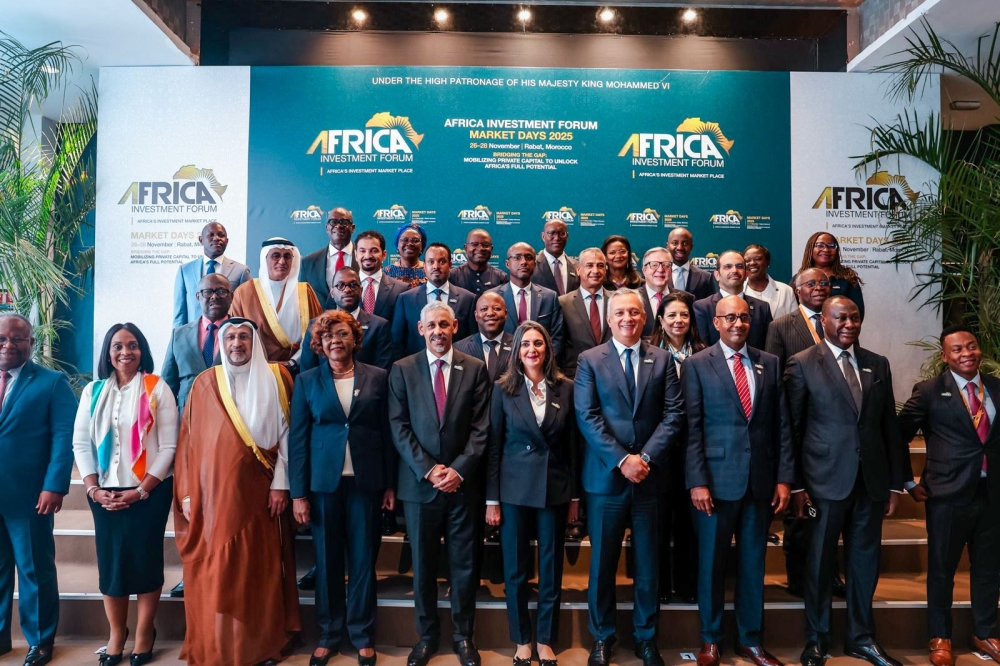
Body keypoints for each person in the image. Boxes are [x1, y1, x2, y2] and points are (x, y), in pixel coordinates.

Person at [786, 296, 906, 666]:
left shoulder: (877, 363)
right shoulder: (803, 363)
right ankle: (817, 639)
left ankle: (861, 638)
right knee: (820, 564)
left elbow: (890, 427)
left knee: (864, 564)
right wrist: (796, 487)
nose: (849, 324)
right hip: (823, 484)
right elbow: (791, 429)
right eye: (840, 318)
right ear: (823, 321)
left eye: (854, 318)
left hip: (870, 483)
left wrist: (895, 483)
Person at [173, 318, 300, 666]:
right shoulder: (204, 383)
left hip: (263, 495)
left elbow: (289, 435)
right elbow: (188, 445)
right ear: (221, 342)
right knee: (220, 572)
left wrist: (281, 485)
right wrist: (186, 494)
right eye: (230, 337)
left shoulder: (277, 378)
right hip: (214, 500)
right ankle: (218, 644)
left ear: (254, 342)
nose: (237, 343)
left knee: (259, 572)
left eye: (244, 337)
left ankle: (259, 644)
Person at [575, 289, 685, 666]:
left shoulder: (664, 359)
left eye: (635, 313)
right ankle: (603, 638)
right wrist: (623, 459)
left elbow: (674, 415)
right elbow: (587, 417)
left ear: (645, 318)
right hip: (606, 480)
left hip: (651, 479)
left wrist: (646, 458)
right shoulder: (589, 360)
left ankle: (646, 638)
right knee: (602, 564)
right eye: (620, 312)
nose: (627, 318)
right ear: (609, 319)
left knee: (649, 564)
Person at [684, 296, 794, 666]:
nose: (737, 323)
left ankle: (751, 641)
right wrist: (697, 481)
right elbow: (692, 428)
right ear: (715, 322)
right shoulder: (698, 364)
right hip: (713, 485)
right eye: (729, 317)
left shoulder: (770, 363)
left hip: (760, 483)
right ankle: (710, 639)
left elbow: (781, 426)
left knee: (753, 565)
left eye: (743, 317)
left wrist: (783, 479)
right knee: (711, 564)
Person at [289, 310, 396, 666]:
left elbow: (387, 435)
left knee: (364, 562)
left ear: (355, 339)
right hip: (323, 487)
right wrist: (298, 494)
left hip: (366, 484)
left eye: (343, 334)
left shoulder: (379, 377)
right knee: (327, 560)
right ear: (319, 343)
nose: (336, 341)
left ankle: (363, 634)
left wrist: (389, 485)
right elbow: (299, 440)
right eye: (329, 336)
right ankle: (329, 634)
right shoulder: (306, 381)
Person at [388, 301, 491, 666]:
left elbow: (481, 429)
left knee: (464, 565)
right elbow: (398, 428)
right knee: (425, 564)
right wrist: (430, 470)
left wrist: (458, 470)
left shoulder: (476, 369)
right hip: (420, 486)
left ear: (455, 327)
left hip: (463, 486)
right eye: (431, 325)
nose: (437, 331)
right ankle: (427, 636)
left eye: (444, 325)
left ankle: (464, 637)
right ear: (420, 328)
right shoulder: (402, 369)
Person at [72, 323, 177, 666]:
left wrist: (142, 491)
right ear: (108, 352)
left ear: (142, 350)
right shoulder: (93, 390)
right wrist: (92, 488)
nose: (125, 352)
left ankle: (145, 632)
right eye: (117, 346)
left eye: (132, 345)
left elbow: (168, 447)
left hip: (149, 490)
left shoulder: (156, 387)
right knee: (112, 564)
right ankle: (117, 633)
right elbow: (81, 443)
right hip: (104, 491)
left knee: (145, 560)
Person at [897, 326, 1000, 666]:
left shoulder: (997, 387)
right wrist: (907, 483)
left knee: (988, 568)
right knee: (942, 569)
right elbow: (897, 436)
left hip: (992, 493)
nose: (966, 353)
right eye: (957, 350)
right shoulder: (929, 391)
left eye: (971, 345)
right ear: (945, 356)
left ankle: (985, 632)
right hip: (947, 494)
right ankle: (939, 636)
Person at [486, 321, 578, 666]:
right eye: (525, 344)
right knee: (516, 570)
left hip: (553, 490)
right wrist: (492, 500)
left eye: (538, 343)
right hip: (513, 491)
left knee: (551, 569)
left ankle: (544, 639)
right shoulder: (503, 389)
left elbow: (572, 447)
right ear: (516, 351)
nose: (532, 350)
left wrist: (574, 498)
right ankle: (522, 638)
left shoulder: (564, 388)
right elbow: (493, 449)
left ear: (548, 349)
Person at [0, 313, 76, 666]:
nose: (8, 345)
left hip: (31, 496)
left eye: (17, 338)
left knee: (34, 569)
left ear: (31, 343)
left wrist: (54, 486)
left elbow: (64, 438)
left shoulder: (51, 382)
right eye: (2, 338)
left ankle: (41, 641)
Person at [764, 268, 832, 598]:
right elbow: (775, 378)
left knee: (830, 513)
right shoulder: (781, 326)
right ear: (797, 290)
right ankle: (797, 577)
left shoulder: (839, 321)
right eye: (811, 284)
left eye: (823, 283)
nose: (819, 288)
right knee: (800, 512)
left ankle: (828, 576)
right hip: (797, 426)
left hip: (833, 432)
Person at [647, 291, 705, 604]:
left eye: (684, 315)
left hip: (692, 449)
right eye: (671, 315)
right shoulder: (649, 352)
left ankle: (686, 585)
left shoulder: (705, 352)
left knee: (687, 523)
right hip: (657, 449)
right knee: (657, 522)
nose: (678, 321)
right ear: (660, 320)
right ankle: (657, 587)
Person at [230, 237, 324, 366]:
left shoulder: (305, 291)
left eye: (287, 256)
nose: (282, 261)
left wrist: (293, 362)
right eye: (276, 256)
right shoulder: (244, 292)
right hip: (256, 369)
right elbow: (235, 334)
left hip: (299, 369)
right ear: (265, 259)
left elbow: (317, 332)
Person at [300, 267, 393, 372]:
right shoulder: (315, 325)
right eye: (340, 285)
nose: (347, 289)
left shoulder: (379, 326)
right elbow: (307, 371)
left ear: (361, 290)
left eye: (353, 285)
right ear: (332, 292)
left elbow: (382, 373)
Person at [162, 273, 231, 413]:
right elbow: (167, 386)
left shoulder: (245, 334)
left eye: (221, 291)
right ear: (198, 297)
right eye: (208, 292)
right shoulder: (179, 335)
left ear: (232, 296)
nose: (214, 296)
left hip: (229, 417)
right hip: (187, 418)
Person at [392, 243, 477, 357]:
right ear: (424, 267)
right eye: (431, 262)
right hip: (416, 369)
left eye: (442, 262)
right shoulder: (406, 299)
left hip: (457, 367)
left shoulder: (468, 299)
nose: (436, 266)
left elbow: (472, 341)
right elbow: (397, 342)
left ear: (450, 265)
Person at [490, 242, 565, 359]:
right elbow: (488, 335)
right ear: (507, 264)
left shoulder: (550, 297)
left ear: (535, 264)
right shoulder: (493, 297)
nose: (524, 262)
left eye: (528, 257)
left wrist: (543, 363)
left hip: (539, 365)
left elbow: (557, 337)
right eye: (517, 257)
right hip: (502, 366)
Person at [172, 222, 250, 328]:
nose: (216, 238)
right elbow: (180, 312)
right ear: (201, 240)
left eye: (221, 235)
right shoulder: (185, 270)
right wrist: (178, 338)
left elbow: (245, 311)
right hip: (194, 336)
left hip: (228, 336)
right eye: (211, 235)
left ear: (227, 241)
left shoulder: (241, 270)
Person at [693, 251, 773, 350]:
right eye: (728, 266)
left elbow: (769, 349)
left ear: (746, 274)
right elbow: (702, 349)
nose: (734, 270)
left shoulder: (762, 308)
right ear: (717, 275)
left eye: (739, 266)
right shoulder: (702, 307)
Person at [559, 247, 612, 378]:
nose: (595, 271)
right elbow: (558, 345)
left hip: (613, 374)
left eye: (600, 266)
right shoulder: (563, 303)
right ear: (578, 269)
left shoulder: (617, 300)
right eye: (589, 265)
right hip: (576, 376)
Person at [301, 208, 360, 309]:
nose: (338, 226)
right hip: (321, 322)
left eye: (344, 222)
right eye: (333, 222)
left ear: (352, 228)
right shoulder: (308, 263)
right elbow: (303, 301)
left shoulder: (364, 259)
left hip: (358, 321)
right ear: (327, 227)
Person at [799, 232, 864, 320]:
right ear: (810, 249)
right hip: (805, 331)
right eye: (820, 245)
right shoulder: (799, 278)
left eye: (831, 245)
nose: (826, 249)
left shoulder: (847, 278)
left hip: (839, 331)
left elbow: (858, 312)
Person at [454, 291, 515, 383]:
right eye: (484, 309)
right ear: (476, 315)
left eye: (497, 308)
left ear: (505, 314)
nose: (490, 313)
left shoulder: (518, 345)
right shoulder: (459, 349)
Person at [355, 230, 411, 325]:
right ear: (356, 255)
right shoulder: (341, 288)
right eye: (362, 251)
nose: (368, 255)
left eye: (374, 250)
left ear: (384, 255)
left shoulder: (401, 290)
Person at [450, 229, 509, 297]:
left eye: (485, 245)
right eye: (474, 244)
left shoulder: (501, 278)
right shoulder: (452, 276)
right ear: (466, 248)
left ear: (491, 249)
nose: (480, 248)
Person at [743, 244, 796, 319]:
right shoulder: (737, 292)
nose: (752, 263)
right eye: (747, 260)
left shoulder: (786, 291)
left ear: (767, 262)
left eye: (757, 259)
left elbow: (795, 323)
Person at [666, 227, 716, 300]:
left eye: (685, 243)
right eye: (675, 243)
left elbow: (710, 307)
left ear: (691, 246)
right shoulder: (659, 275)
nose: (680, 247)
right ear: (667, 246)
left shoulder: (706, 278)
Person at [533, 219, 579, 296]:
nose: (557, 238)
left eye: (561, 233)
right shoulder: (532, 266)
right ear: (543, 236)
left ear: (567, 236)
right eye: (551, 233)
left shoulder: (577, 266)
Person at [637, 247, 673, 337]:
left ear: (671, 270)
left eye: (666, 265)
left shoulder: (686, 298)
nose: (660, 270)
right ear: (644, 270)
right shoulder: (631, 298)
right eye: (654, 265)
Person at [384, 223, 428, 289]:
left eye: (415, 240)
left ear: (422, 246)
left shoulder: (429, 271)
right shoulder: (386, 273)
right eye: (405, 240)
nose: (410, 244)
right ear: (397, 245)